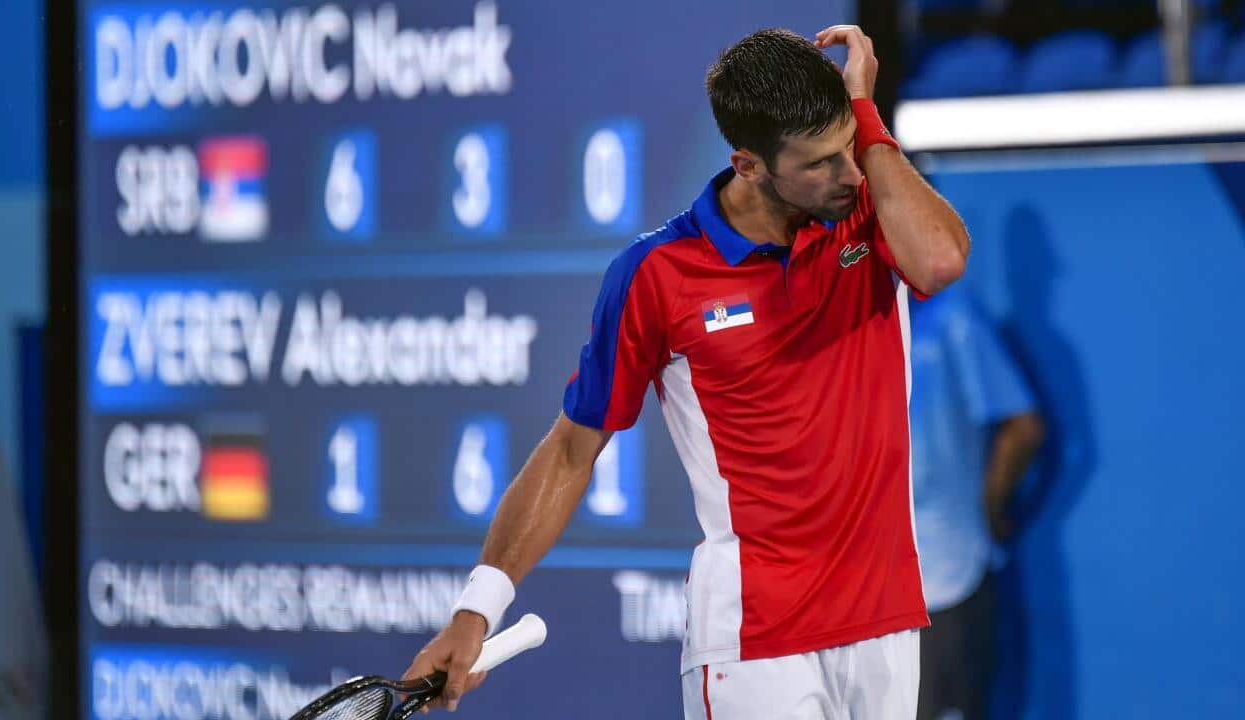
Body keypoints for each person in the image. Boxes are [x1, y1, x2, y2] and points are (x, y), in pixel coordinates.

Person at [402, 25, 970, 718]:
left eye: (848, 145)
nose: (849, 174)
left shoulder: (866, 209)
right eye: (819, 162)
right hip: (754, 638)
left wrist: (868, 119)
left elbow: (939, 261)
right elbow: (571, 452)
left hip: (885, 617)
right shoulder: (656, 274)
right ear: (749, 164)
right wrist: (475, 610)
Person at [909, 289, 1044, 720]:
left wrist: (988, 508)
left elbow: (1024, 427)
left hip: (948, 582)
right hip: (869, 602)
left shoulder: (952, 319)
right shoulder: (840, 333)